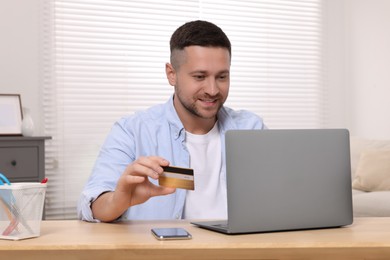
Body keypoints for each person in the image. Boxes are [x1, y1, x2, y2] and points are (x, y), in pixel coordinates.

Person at [78, 20, 266, 222]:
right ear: (171, 74)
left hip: (238, 252)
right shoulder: (133, 130)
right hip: (166, 252)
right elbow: (91, 206)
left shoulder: (251, 128)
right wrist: (119, 200)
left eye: (221, 77)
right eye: (200, 76)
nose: (212, 90)